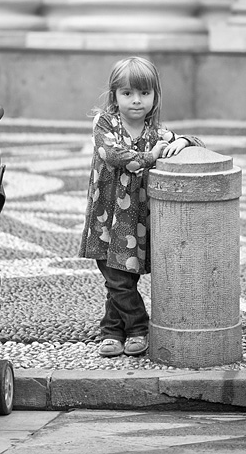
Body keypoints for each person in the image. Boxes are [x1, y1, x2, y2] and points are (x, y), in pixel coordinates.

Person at [79, 56, 205, 357]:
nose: (136, 100)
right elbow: (115, 156)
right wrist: (152, 156)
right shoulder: (105, 124)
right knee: (116, 278)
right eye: (127, 93)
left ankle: (111, 331)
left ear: (154, 96)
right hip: (106, 217)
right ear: (114, 96)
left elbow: (197, 143)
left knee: (124, 276)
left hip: (136, 219)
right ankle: (138, 327)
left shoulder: (156, 133)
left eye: (144, 93)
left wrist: (183, 142)